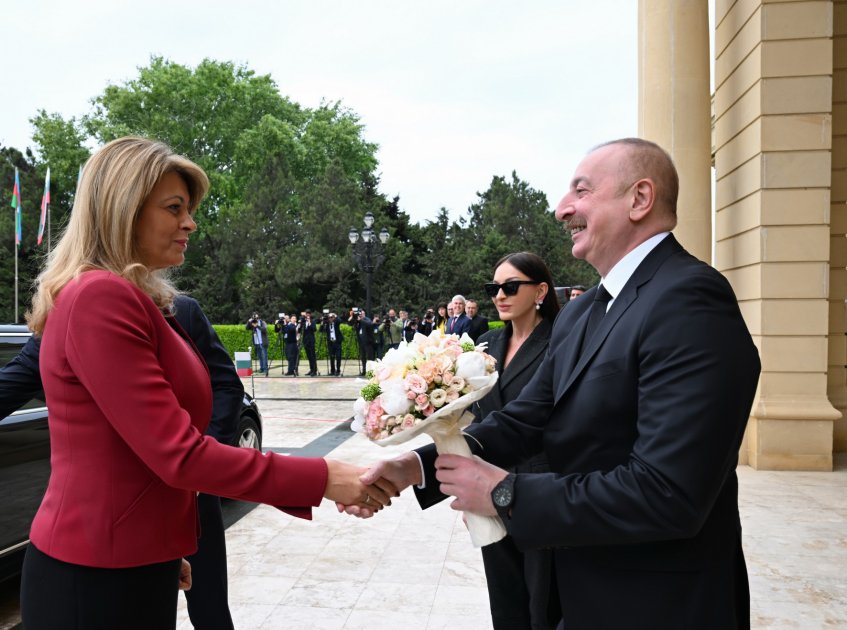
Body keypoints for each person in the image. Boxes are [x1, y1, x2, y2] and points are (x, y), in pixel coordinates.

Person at [353, 138, 761, 629]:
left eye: (582, 191)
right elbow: (526, 419)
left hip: (660, 601)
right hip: (578, 591)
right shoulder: (584, 310)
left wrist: (505, 494)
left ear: (640, 199)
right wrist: (414, 467)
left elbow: (668, 492)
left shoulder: (690, 299)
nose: (561, 208)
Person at [19, 136, 393, 629]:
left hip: (127, 561)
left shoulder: (125, 296)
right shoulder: (101, 298)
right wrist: (323, 476)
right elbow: (178, 454)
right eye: (174, 208)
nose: (190, 223)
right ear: (123, 210)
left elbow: (132, 451)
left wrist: (161, 543)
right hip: (94, 578)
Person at [0, 295, 242, 629]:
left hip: (191, 497)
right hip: (120, 522)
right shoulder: (67, 319)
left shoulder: (180, 311)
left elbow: (226, 385)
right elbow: (10, 384)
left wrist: (203, 464)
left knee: (210, 608)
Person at [473, 252, 562, 629]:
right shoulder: (487, 342)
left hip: (539, 487)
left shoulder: (561, 340)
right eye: (494, 288)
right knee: (505, 601)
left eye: (510, 287)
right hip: (488, 487)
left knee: (544, 602)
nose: (500, 296)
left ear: (540, 290)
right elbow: (475, 416)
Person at [245, 312, 269, 376]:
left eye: (256, 318)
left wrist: (257, 326)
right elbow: (246, 328)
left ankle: (265, 370)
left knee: (264, 356)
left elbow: (264, 330)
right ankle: (262, 368)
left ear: (258, 317)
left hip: (263, 342)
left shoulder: (262, 322)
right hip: (256, 342)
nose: (255, 319)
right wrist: (249, 322)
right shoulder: (252, 323)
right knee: (260, 356)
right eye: (254, 318)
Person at [300, 309, 318, 376]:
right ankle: (311, 369)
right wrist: (302, 320)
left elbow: (314, 329)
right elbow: (299, 329)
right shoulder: (304, 322)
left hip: (311, 341)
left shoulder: (312, 321)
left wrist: (309, 322)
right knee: (309, 356)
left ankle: (314, 370)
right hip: (305, 341)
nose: (307, 315)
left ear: (310, 315)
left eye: (308, 314)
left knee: (313, 356)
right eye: (306, 314)